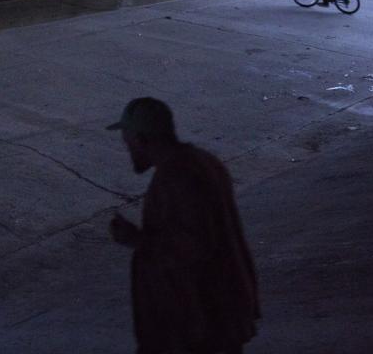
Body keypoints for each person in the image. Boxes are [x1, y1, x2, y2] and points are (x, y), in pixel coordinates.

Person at [106, 97, 259, 354]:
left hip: (199, 326)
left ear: (142, 140)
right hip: (215, 318)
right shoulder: (202, 161)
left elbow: (195, 246)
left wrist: (136, 239)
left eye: (128, 141)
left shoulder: (177, 176)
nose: (128, 149)